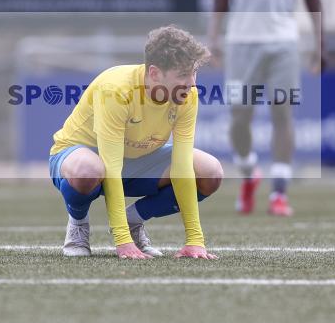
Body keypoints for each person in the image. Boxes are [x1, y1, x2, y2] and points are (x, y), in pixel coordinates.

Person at [208, 0, 326, 217]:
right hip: (242, 41)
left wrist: (320, 43)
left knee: (282, 112)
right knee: (240, 118)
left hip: (283, 42)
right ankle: (249, 173)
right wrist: (213, 37)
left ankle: (279, 193)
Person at [49, 25, 223, 259]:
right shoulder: (115, 89)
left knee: (210, 173)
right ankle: (78, 222)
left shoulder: (187, 95)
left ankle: (134, 219)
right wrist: (123, 242)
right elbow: (110, 166)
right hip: (82, 156)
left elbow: (182, 167)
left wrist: (195, 240)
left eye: (194, 72)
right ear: (154, 73)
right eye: (182, 74)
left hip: (138, 159)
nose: (192, 83)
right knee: (88, 170)